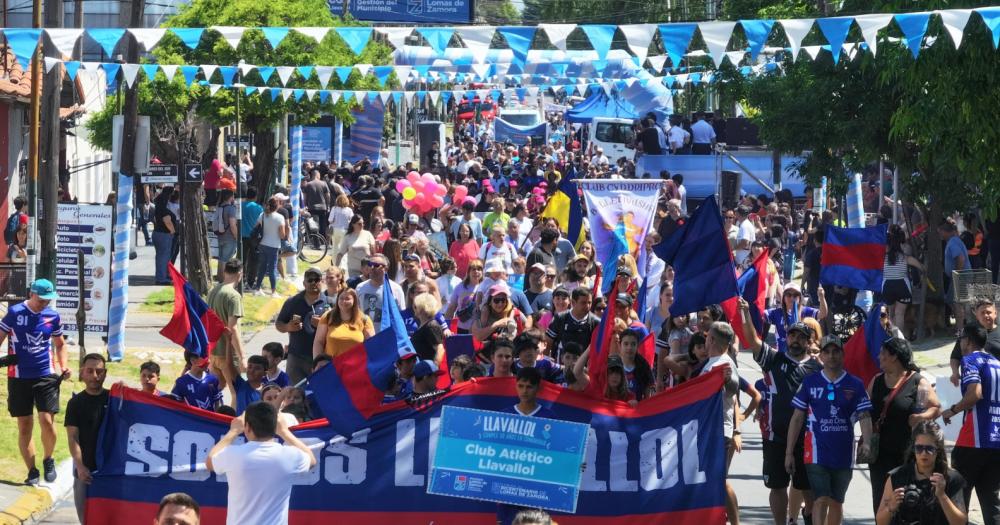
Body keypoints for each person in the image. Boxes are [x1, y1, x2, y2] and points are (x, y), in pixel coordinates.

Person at [738, 298, 822, 525]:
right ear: (787, 337)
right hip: (775, 436)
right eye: (793, 336)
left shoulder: (817, 368)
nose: (795, 340)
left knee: (807, 488)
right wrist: (745, 314)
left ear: (809, 341)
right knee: (777, 486)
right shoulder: (774, 359)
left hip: (806, 439)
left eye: (801, 337)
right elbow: (753, 341)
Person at [787, 335, 873, 525]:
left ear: (843, 354)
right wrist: (789, 453)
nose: (831, 356)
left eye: (836, 352)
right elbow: (797, 417)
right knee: (821, 498)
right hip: (816, 453)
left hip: (843, 453)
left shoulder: (855, 384)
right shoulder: (810, 382)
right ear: (821, 356)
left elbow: (865, 416)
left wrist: (867, 442)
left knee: (836, 501)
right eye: (827, 352)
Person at [1, 279, 67, 485]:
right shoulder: (14, 313)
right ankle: (32, 471)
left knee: (47, 420)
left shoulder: (52, 316)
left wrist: (63, 366)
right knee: (24, 425)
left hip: (45, 374)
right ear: (32, 293)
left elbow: (60, 343)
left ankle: (49, 458)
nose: (44, 303)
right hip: (19, 376)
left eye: (48, 300)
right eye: (41, 299)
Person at [206, 402, 316, 525]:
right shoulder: (289, 455)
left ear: (247, 427)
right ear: (275, 427)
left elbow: (210, 462)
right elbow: (311, 459)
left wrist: (233, 431)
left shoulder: (233, 454)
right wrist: (284, 432)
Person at [867, 337, 942, 513]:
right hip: (879, 454)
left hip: (907, 454)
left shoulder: (917, 381)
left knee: (907, 499)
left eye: (883, 354)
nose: (879, 357)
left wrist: (920, 416)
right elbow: (864, 410)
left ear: (894, 357)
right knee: (881, 500)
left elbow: (936, 408)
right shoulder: (876, 380)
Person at [942, 322, 1000, 524]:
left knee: (959, 499)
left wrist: (952, 410)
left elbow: (974, 394)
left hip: (973, 440)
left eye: (961, 339)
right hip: (996, 440)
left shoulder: (970, 361)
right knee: (991, 501)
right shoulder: (997, 363)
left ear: (967, 341)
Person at [875, 421, 967, 525]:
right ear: (913, 449)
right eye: (919, 448)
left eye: (929, 449)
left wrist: (942, 496)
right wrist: (890, 507)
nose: (924, 453)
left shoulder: (951, 479)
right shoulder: (897, 476)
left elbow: (961, 523)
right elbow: (880, 522)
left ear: (938, 450)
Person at [700, 321, 741, 525]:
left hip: (719, 431)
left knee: (720, 481)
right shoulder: (711, 362)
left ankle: (735, 522)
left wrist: (727, 381)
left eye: (707, 337)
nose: (705, 340)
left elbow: (733, 390)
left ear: (712, 339)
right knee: (714, 480)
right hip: (708, 430)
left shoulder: (724, 363)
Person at [65, 353, 108, 524]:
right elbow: (72, 437)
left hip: (110, 472)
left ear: (106, 373)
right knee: (86, 520)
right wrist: (81, 467)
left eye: (99, 371)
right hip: (85, 474)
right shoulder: (75, 403)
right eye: (90, 371)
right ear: (82, 373)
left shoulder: (115, 399)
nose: (95, 376)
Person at [275, 267, 329, 384]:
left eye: (316, 280)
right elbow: (279, 324)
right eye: (310, 280)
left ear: (322, 282)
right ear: (304, 283)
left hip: (321, 358)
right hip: (296, 357)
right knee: (294, 393)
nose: (313, 283)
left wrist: (323, 325)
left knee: (320, 393)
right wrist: (288, 327)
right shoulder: (292, 302)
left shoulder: (329, 303)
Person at [207, 259, 245, 402]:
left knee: (216, 389)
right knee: (236, 392)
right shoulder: (234, 296)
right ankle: (233, 423)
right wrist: (242, 356)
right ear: (240, 274)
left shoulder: (213, 291)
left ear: (224, 272)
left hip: (213, 352)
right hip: (228, 353)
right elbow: (232, 328)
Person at [949, 297, 1000, 387]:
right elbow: (955, 356)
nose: (986, 315)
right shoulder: (968, 331)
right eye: (982, 313)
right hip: (972, 381)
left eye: (989, 312)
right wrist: (955, 373)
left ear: (995, 313)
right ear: (976, 315)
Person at [882, 224, 924, 331]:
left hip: (887, 286)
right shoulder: (905, 257)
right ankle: (900, 339)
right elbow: (921, 267)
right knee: (899, 314)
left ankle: (891, 337)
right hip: (902, 286)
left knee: (891, 314)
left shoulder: (882, 259)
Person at [314, 287, 375, 358]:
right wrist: (318, 363)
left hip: (356, 366)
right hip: (332, 366)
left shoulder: (365, 319)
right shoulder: (327, 316)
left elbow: (372, 346)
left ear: (354, 301)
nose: (344, 301)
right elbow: (319, 342)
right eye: (341, 298)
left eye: (347, 299)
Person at [767, 282, 828, 353]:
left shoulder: (805, 311)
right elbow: (759, 314)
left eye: (795, 295)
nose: (792, 298)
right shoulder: (776, 312)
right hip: (782, 354)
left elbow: (823, 314)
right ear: (783, 298)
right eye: (789, 295)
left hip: (801, 354)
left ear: (800, 298)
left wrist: (821, 297)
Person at [544, 287, 598, 362]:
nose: (587, 306)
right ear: (573, 302)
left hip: (583, 369)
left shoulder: (595, 322)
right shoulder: (560, 318)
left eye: (589, 302)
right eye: (583, 303)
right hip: (560, 367)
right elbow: (548, 343)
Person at [356, 254, 406, 325]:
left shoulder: (396, 288)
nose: (372, 267)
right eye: (370, 264)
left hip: (387, 333)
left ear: (386, 268)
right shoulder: (360, 287)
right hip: (366, 333)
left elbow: (401, 313)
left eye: (376, 265)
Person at [252, 197, 287, 295]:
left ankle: (258, 288)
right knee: (272, 268)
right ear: (277, 206)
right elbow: (282, 235)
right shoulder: (280, 217)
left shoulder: (262, 215)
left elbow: (256, 227)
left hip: (262, 243)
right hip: (274, 245)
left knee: (262, 267)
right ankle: (273, 291)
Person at [939, 221, 969, 332]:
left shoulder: (952, 243)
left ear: (945, 232)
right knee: (952, 301)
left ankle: (960, 329)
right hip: (961, 276)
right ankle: (961, 327)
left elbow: (960, 258)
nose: (940, 235)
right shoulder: (955, 240)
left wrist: (956, 274)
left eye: (940, 232)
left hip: (960, 276)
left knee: (956, 303)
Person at [337, 215, 376, 279]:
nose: (362, 225)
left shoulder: (368, 234)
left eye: (363, 223)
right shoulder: (348, 237)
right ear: (353, 224)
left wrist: (365, 249)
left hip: (367, 270)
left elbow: (373, 253)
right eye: (359, 224)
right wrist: (336, 268)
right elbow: (340, 254)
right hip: (353, 269)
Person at [152, 186, 178, 284]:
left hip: (158, 233)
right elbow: (167, 221)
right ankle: (161, 279)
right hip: (164, 234)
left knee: (160, 257)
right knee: (164, 257)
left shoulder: (158, 207)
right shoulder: (163, 209)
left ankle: (162, 276)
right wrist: (172, 231)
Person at [410, 293, 445, 362]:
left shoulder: (431, 326)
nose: (413, 308)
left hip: (428, 369)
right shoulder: (423, 325)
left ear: (422, 308)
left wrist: (434, 367)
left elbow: (440, 349)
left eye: (415, 306)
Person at [214, 189, 240, 282]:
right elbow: (232, 225)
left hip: (220, 235)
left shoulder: (219, 206)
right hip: (229, 237)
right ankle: (224, 280)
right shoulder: (231, 208)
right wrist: (237, 236)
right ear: (230, 197)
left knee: (221, 259)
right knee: (226, 259)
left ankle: (220, 278)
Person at [303, 169, 331, 242]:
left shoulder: (308, 184)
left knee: (314, 225)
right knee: (322, 225)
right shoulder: (324, 183)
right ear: (318, 175)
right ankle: (323, 241)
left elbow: (305, 197)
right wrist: (328, 206)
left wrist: (305, 205)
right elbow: (328, 196)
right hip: (323, 208)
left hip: (312, 208)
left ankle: (316, 242)